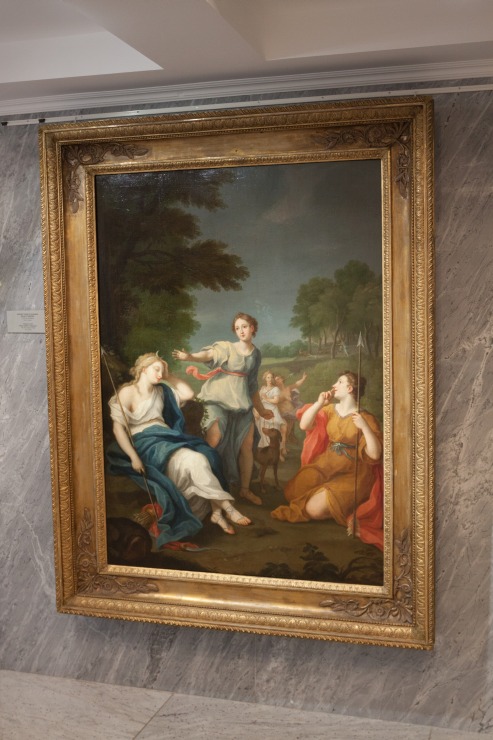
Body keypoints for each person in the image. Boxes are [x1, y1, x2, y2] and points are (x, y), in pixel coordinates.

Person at [106, 352, 251, 548]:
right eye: (156, 369)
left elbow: (188, 394)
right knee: (195, 460)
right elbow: (118, 429)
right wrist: (133, 457)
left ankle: (217, 512)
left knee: (208, 455)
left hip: (167, 437)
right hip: (145, 442)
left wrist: (169, 376)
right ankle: (227, 507)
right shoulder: (127, 393)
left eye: (163, 370)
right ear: (143, 369)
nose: (160, 374)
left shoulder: (162, 391)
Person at [271, 371, 384, 550]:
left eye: (339, 382)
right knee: (292, 492)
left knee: (313, 510)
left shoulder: (366, 418)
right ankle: (325, 494)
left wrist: (364, 427)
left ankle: (336, 502)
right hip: (327, 463)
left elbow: (375, 454)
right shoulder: (330, 410)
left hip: (353, 472)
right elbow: (304, 425)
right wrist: (318, 404)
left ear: (350, 388)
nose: (334, 385)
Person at [172, 312, 273, 505]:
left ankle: (244, 490)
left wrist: (260, 410)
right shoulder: (227, 348)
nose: (241, 331)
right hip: (217, 400)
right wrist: (190, 356)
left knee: (247, 445)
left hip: (242, 404)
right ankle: (202, 487)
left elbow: (252, 385)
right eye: (237, 328)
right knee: (214, 438)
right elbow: (208, 354)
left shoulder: (256, 354)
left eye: (244, 326)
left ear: (253, 328)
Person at [254, 371, 288, 460]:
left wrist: (266, 398)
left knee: (274, 430)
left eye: (271, 377)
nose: (270, 379)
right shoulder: (262, 389)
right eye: (268, 377)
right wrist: (257, 411)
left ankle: (278, 454)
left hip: (272, 410)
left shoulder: (275, 389)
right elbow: (258, 401)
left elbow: (276, 401)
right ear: (265, 379)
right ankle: (265, 452)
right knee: (261, 428)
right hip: (263, 410)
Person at [274, 371, 307, 447]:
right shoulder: (276, 391)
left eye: (278, 379)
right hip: (283, 413)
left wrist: (303, 378)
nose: (277, 381)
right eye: (275, 380)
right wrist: (283, 398)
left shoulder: (288, 388)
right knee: (284, 431)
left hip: (292, 413)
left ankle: (283, 446)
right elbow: (276, 401)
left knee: (288, 431)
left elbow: (296, 384)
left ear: (282, 379)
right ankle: (281, 446)